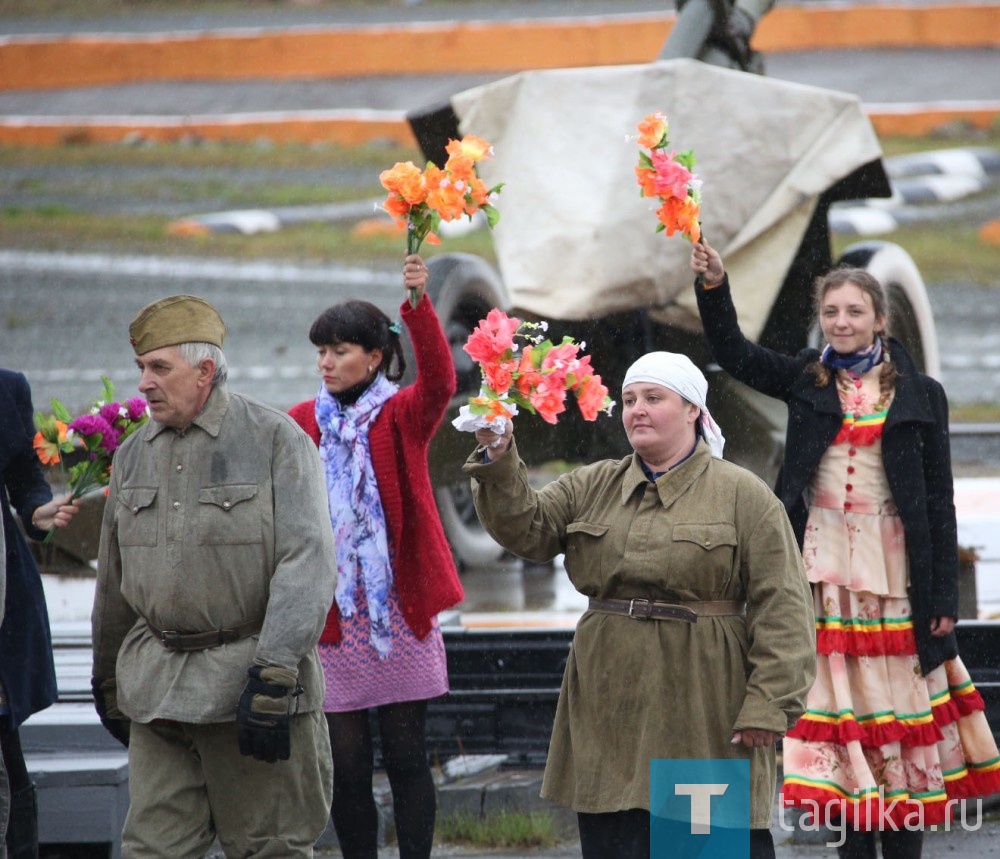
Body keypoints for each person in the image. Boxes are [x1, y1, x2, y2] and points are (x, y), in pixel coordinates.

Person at [690, 240, 1000, 858]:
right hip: (822, 569)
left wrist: (942, 595)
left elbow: (940, 500)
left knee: (898, 718)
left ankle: (903, 838)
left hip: (894, 575)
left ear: (880, 319)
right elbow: (734, 355)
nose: (842, 323)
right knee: (843, 717)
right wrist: (715, 287)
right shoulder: (808, 376)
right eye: (832, 313)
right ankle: (853, 845)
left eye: (855, 312)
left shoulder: (922, 393)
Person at [462, 350, 815, 859]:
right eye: (629, 400)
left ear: (694, 409)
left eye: (654, 398)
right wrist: (499, 454)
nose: (637, 410)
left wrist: (769, 703)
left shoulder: (744, 496)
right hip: (610, 704)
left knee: (704, 846)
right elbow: (528, 529)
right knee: (616, 842)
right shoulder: (594, 484)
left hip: (702, 706)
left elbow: (782, 607)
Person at [91, 296, 337, 858]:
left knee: (269, 849)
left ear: (205, 372)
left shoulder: (276, 441)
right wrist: (107, 681)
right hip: (156, 696)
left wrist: (274, 676)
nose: (145, 384)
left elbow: (309, 562)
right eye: (141, 369)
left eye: (160, 368)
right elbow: (115, 582)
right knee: (151, 851)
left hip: (250, 693)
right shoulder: (131, 456)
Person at [288, 254, 464, 859]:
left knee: (409, 758)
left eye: (339, 350)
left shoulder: (401, 415)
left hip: (399, 614)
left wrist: (417, 306)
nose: (326, 363)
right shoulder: (302, 422)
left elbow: (441, 381)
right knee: (348, 764)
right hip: (336, 621)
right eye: (321, 352)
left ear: (374, 356)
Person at [1, 369, 80, 859]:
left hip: (2, 590)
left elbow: (24, 478)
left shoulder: (7, 388)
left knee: (7, 753)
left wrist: (37, 511)